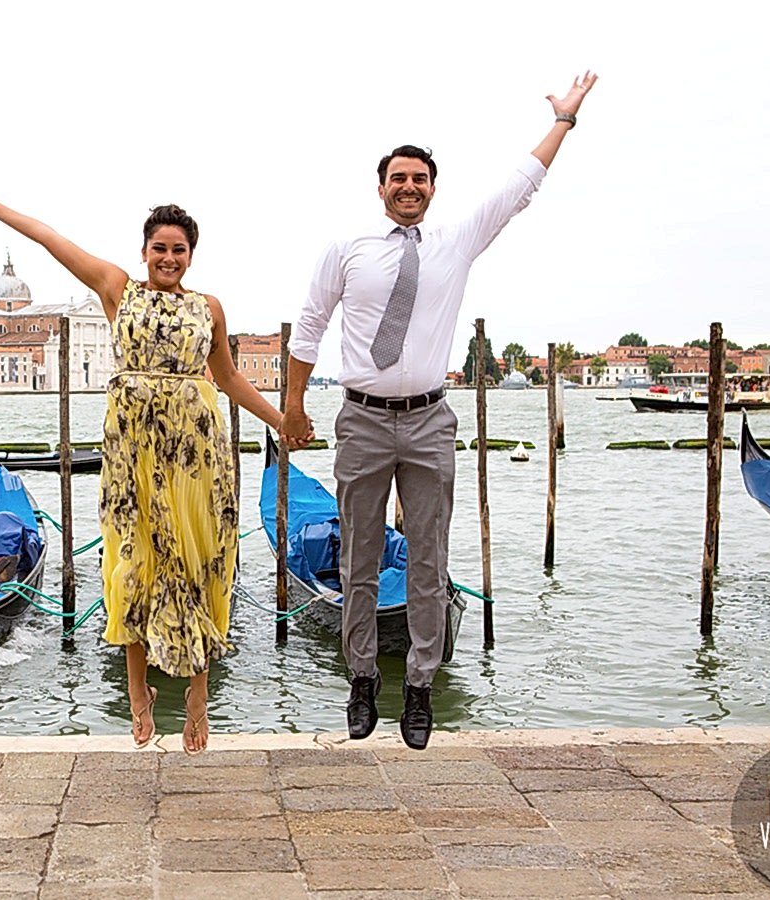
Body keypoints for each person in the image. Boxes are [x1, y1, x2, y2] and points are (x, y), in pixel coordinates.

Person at [281, 72, 598, 751]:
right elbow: (308, 328)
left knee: (428, 561)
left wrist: (563, 121)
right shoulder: (347, 248)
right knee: (358, 560)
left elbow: (520, 187)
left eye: (420, 178)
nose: (410, 186)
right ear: (380, 187)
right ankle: (361, 679)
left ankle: (421, 686)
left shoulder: (457, 240)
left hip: (429, 421)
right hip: (361, 418)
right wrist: (293, 406)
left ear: (432, 187)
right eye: (399, 177)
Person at [0, 180, 293, 753]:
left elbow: (231, 379)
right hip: (133, 454)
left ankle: (196, 698)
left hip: (195, 456)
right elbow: (52, 242)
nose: (168, 258)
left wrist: (282, 421)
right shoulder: (117, 289)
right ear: (144, 252)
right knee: (133, 567)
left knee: (199, 564)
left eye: (179, 250)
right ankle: (140, 694)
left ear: (191, 255)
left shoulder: (207, 307)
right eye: (159, 248)